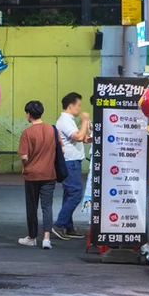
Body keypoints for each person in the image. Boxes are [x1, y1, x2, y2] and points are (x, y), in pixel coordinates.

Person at [17, 100, 57, 250]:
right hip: (49, 173)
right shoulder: (52, 130)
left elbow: (23, 156)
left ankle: (32, 237)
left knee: (32, 206)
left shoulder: (27, 132)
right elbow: (63, 150)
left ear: (28, 114)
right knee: (47, 206)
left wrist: (25, 167)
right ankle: (46, 238)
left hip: (32, 174)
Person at [53, 91, 91, 240]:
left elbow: (80, 138)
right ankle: (60, 224)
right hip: (70, 162)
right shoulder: (65, 121)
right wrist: (85, 120)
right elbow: (79, 136)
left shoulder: (68, 120)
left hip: (72, 161)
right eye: (78, 106)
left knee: (69, 194)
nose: (80, 109)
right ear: (70, 106)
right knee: (75, 194)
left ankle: (68, 226)